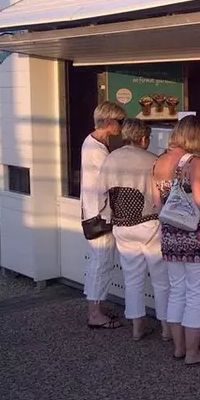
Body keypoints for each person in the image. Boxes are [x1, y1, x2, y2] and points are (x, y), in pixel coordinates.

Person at [152, 116, 200, 366]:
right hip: (196, 239)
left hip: (170, 237)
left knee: (177, 293)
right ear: (196, 136)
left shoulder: (159, 161)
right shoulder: (194, 162)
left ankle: (179, 348)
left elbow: (157, 204)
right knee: (196, 296)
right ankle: (193, 353)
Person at [98, 119, 170, 341]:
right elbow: (164, 192)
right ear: (143, 138)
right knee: (160, 279)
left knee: (133, 279)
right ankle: (167, 328)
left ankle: (137, 327)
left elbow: (100, 192)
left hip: (121, 225)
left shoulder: (110, 159)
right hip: (149, 224)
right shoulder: (152, 161)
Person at [81, 101, 126, 329]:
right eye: (120, 121)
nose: (121, 125)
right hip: (100, 214)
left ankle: (95, 306)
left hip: (92, 211)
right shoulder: (97, 149)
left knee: (97, 262)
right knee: (102, 263)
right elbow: (111, 180)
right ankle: (95, 314)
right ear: (109, 122)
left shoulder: (93, 142)